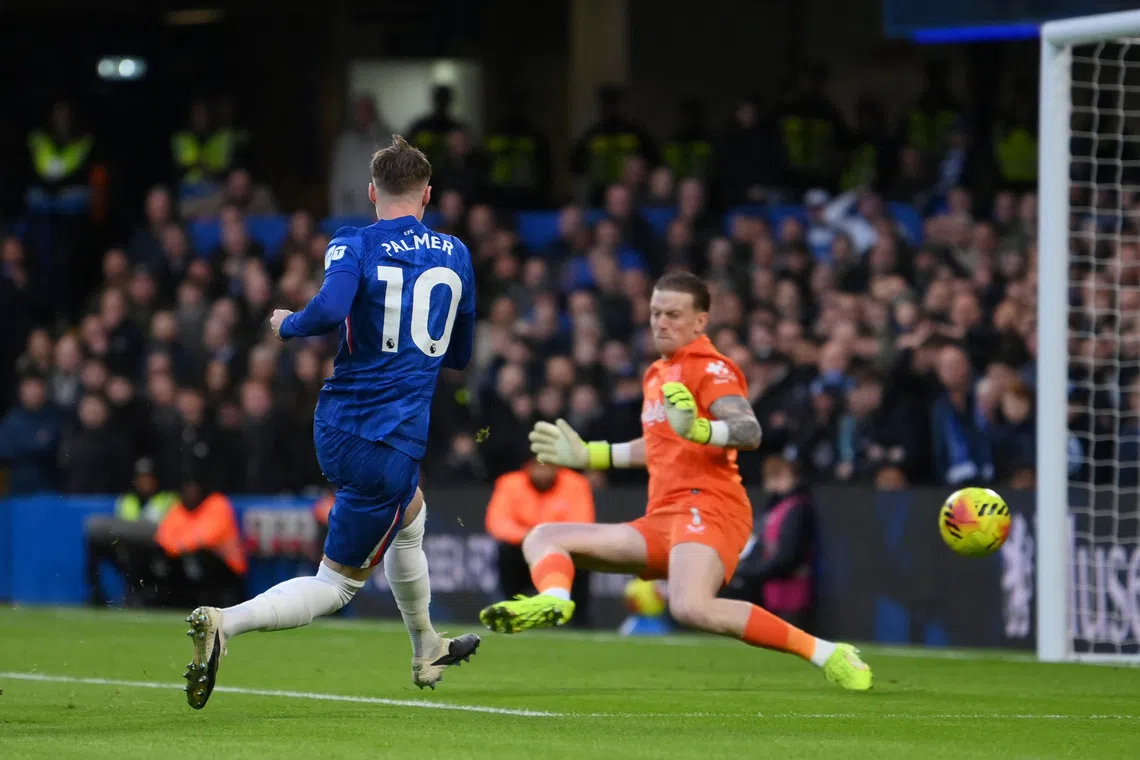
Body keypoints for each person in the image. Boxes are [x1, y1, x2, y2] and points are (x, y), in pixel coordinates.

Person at [182, 134, 481, 709]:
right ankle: (227, 624)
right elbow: (462, 355)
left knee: (412, 515)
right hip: (387, 437)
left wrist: (286, 324)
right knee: (337, 584)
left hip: (341, 421)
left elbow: (330, 310)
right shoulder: (457, 254)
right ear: (427, 195)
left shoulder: (354, 243)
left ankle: (427, 646)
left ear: (372, 192)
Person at [478, 271, 873, 692]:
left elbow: (749, 430)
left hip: (710, 506)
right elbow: (657, 446)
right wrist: (589, 454)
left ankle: (829, 653)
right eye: (654, 313)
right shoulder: (657, 373)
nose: (660, 322)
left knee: (690, 606)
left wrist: (702, 430)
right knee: (544, 536)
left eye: (672, 314)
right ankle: (556, 601)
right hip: (663, 517)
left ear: (700, 321)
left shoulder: (712, 368)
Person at [485, 459, 595, 627]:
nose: (543, 472)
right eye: (538, 466)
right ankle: (507, 614)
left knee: (585, 554)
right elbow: (498, 523)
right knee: (505, 552)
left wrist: (548, 539)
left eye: (548, 466)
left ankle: (581, 622)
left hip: (562, 552)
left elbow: (582, 523)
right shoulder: (509, 483)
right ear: (529, 467)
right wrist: (533, 537)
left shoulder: (576, 484)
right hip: (522, 551)